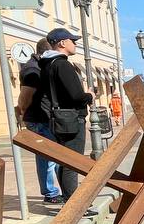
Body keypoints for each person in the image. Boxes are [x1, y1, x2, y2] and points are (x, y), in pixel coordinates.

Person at [32, 28, 92, 201]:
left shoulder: (47, 65)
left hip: (58, 119)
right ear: (62, 43)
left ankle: (68, 198)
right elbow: (76, 96)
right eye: (73, 41)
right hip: (71, 120)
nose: (75, 44)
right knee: (72, 162)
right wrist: (89, 95)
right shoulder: (62, 64)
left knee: (65, 161)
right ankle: (74, 203)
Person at [16, 37, 62, 205]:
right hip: (39, 119)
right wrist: (22, 111)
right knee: (47, 158)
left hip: (44, 118)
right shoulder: (33, 69)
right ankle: (50, 192)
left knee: (53, 157)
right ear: (47, 51)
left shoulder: (39, 67)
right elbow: (25, 96)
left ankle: (56, 190)